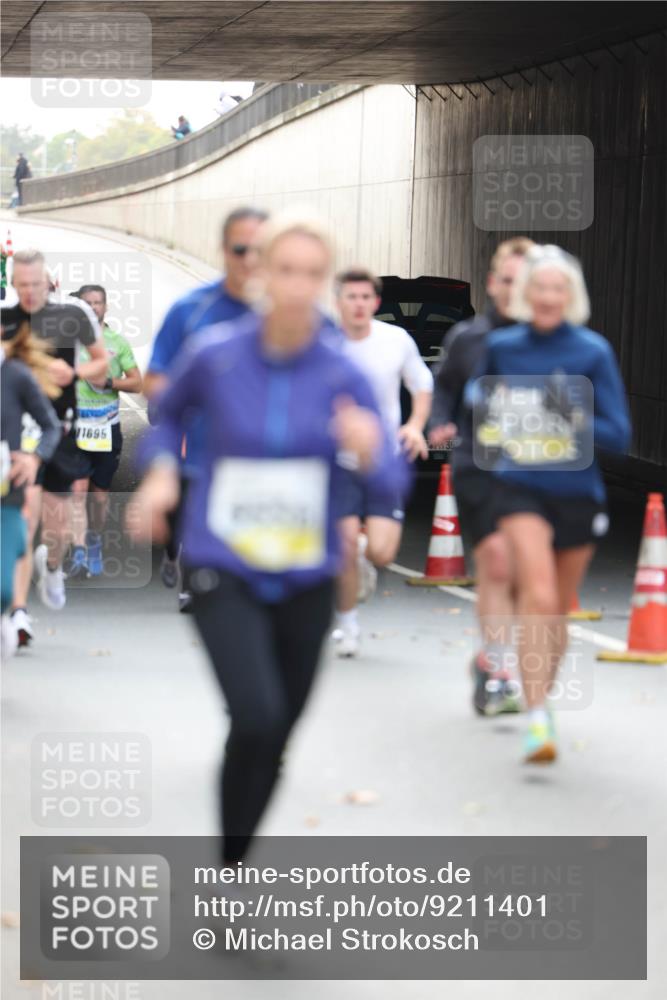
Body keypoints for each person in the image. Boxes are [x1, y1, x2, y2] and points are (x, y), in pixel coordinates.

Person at [129, 214, 406, 865]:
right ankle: (229, 868)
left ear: (324, 285)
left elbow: (390, 471)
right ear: (263, 275)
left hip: (306, 573)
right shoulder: (218, 353)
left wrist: (368, 453)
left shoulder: (341, 371)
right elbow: (166, 423)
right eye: (285, 270)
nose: (297, 285)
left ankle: (233, 860)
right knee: (254, 714)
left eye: (312, 274)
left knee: (275, 730)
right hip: (222, 561)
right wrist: (162, 476)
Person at [470, 244, 630, 763]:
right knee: (537, 595)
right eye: (539, 287)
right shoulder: (507, 346)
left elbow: (620, 433)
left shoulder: (592, 352)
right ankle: (537, 718)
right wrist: (486, 405)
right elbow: (481, 398)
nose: (547, 297)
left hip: (577, 493)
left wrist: (572, 413)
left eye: (557, 288)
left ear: (570, 296)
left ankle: (542, 698)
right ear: (525, 293)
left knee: (555, 608)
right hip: (520, 487)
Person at [429, 237, 534, 716]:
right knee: (495, 561)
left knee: (520, 572)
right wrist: (439, 424)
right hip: (479, 466)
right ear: (493, 284)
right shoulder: (468, 338)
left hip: (535, 470)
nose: (517, 290)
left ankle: (490, 658)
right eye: (509, 281)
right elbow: (443, 391)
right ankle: (498, 669)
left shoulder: (553, 339)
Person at [144, 206, 268, 611]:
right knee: (219, 598)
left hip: (276, 476)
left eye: (261, 249)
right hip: (205, 463)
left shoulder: (297, 316)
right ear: (223, 250)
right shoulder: (192, 311)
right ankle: (193, 578)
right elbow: (156, 381)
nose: (250, 259)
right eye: (240, 249)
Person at [0, 249, 107, 640]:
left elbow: (102, 364)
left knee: (57, 527)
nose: (29, 292)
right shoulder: (5, 317)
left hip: (60, 428)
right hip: (18, 433)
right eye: (22, 285)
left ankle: (54, 566)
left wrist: (75, 372)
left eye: (36, 284)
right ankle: (18, 612)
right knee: (25, 516)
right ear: (13, 283)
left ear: (49, 281)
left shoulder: (73, 314)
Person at [331, 268, 433, 657]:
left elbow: (421, 383)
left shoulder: (395, 340)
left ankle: (364, 560)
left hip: (385, 460)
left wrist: (415, 425)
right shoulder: (323, 342)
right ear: (338, 301)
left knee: (382, 551)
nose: (358, 304)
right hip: (337, 462)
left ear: (376, 302)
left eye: (365, 297)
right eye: (350, 297)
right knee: (341, 546)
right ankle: (347, 625)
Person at [65, 285, 142, 578]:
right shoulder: (66, 343)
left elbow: (137, 383)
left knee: (99, 496)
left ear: (106, 308)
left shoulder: (116, 343)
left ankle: (94, 537)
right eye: (88, 303)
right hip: (76, 429)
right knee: (77, 489)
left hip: (106, 429)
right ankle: (79, 550)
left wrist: (110, 384)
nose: (94, 308)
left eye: (98, 303)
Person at [1, 335, 61, 654]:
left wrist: (34, 457)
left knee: (2, 587)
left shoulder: (15, 375)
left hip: (7, 490)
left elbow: (50, 425)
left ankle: (15, 615)